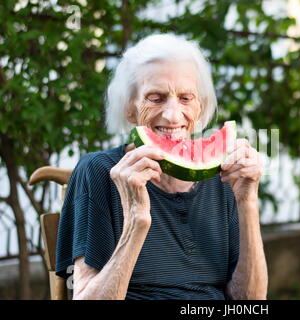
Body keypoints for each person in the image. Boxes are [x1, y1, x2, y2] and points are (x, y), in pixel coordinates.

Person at [55, 34, 268, 300]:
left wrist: (247, 201)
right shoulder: (99, 172)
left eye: (186, 98)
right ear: (130, 109)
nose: (172, 115)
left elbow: (249, 302)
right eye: (155, 98)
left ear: (200, 108)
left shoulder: (223, 178)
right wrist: (136, 221)